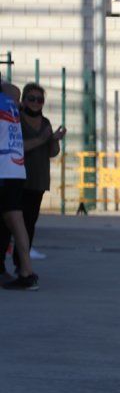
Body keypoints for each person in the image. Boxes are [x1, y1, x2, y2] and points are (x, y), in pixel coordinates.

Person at [0, 82, 64, 272]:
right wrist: (41, 140)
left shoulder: (45, 123)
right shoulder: (14, 117)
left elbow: (52, 152)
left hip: (38, 181)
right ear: (23, 101)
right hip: (18, 179)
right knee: (8, 225)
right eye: (32, 99)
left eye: (40, 100)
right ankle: (12, 266)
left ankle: (22, 267)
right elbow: (18, 145)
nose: (36, 103)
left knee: (28, 224)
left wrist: (53, 139)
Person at [0, 79, 38, 291]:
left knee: (15, 221)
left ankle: (27, 272)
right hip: (15, 168)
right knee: (16, 221)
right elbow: (13, 89)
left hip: (4, 169)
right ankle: (27, 271)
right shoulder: (10, 100)